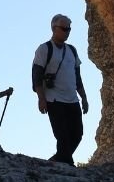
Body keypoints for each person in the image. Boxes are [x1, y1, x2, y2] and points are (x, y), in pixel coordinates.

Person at [31, 14, 88, 165]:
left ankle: (57, 160)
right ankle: (68, 165)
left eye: (69, 29)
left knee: (77, 134)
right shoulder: (44, 49)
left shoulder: (72, 50)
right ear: (54, 28)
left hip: (72, 99)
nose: (67, 31)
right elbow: (36, 75)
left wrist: (84, 97)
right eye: (64, 28)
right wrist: (41, 98)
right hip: (53, 99)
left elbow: (77, 76)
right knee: (62, 135)